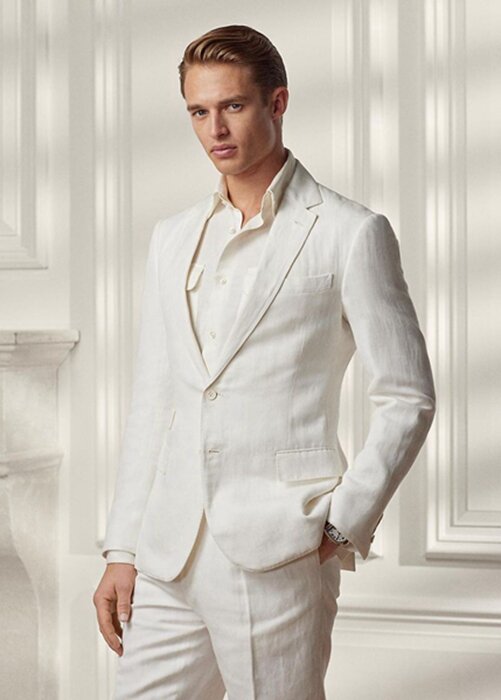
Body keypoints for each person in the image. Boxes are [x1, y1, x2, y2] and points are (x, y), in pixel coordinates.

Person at [93, 24, 436, 699]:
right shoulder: (172, 238)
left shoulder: (349, 233)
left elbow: (407, 396)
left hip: (279, 547)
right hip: (168, 552)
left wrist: (341, 521)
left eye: (233, 106)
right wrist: (122, 548)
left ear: (276, 102)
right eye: (198, 111)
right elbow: (155, 402)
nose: (215, 129)